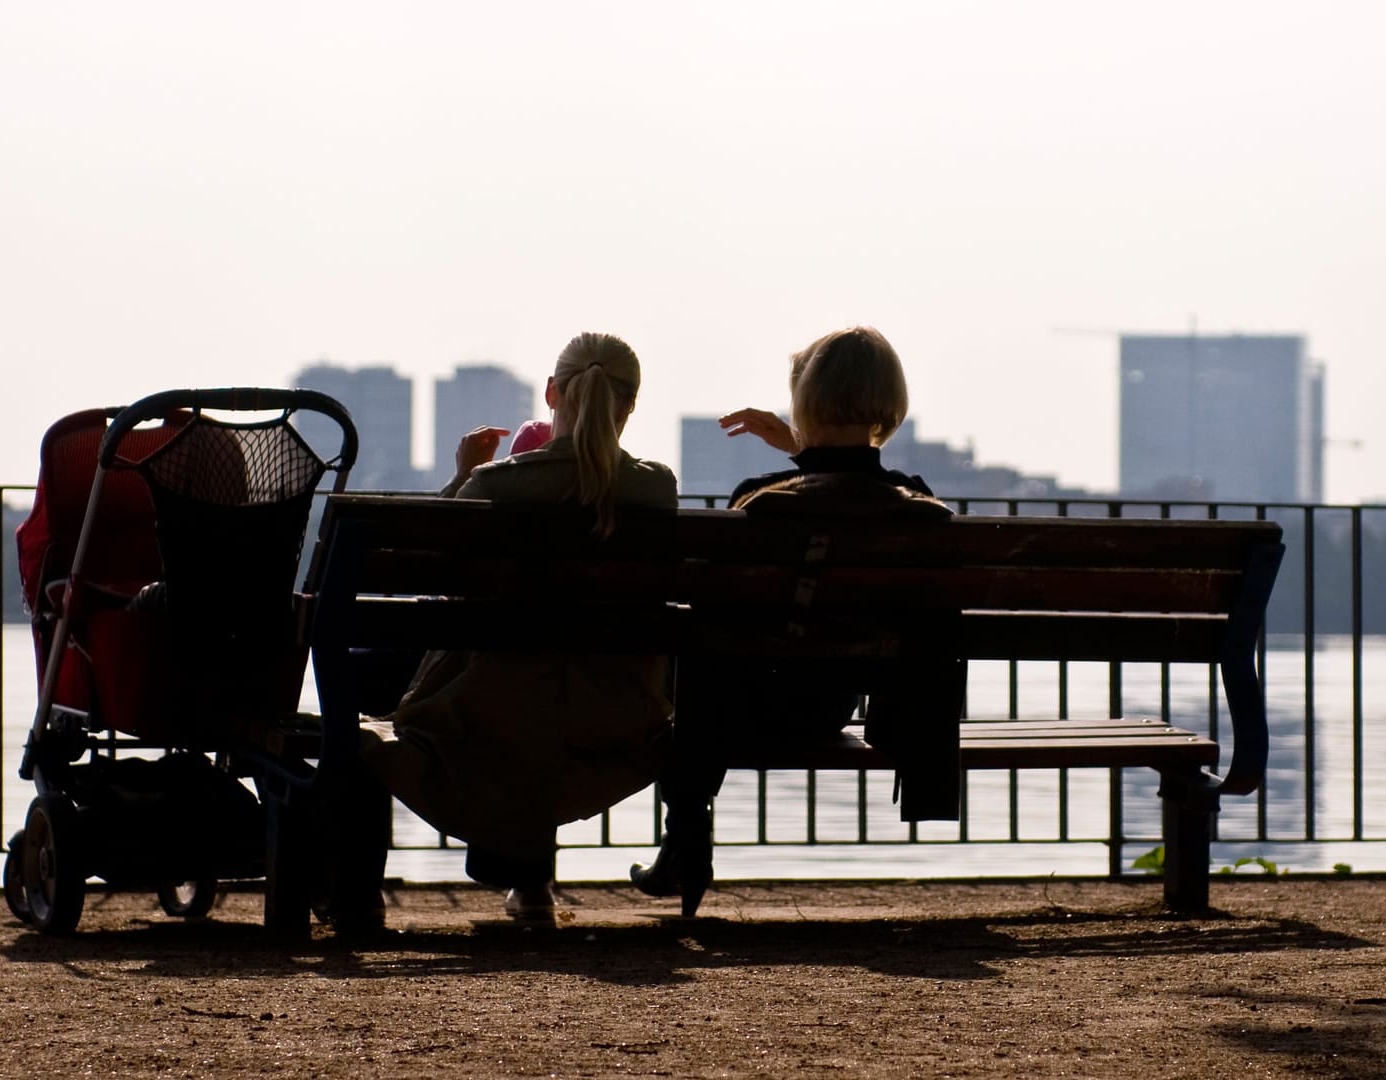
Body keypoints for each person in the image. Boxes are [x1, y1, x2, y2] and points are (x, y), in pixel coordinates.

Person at [327, 332, 678, 926]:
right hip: (614, 715)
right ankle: (529, 881)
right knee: (536, 680)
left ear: (551, 393)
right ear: (631, 404)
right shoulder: (656, 489)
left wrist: (463, 479)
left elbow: (430, 578)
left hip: (487, 717)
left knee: (365, 683)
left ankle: (357, 891)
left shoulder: (496, 485)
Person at [630, 325, 962, 904]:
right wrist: (802, 448)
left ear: (803, 400)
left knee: (700, 651)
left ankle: (686, 837)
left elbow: (714, 613)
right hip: (833, 706)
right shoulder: (916, 507)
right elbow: (858, 486)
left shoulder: (761, 503)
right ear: (892, 401)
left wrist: (796, 450)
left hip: (734, 715)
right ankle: (680, 848)